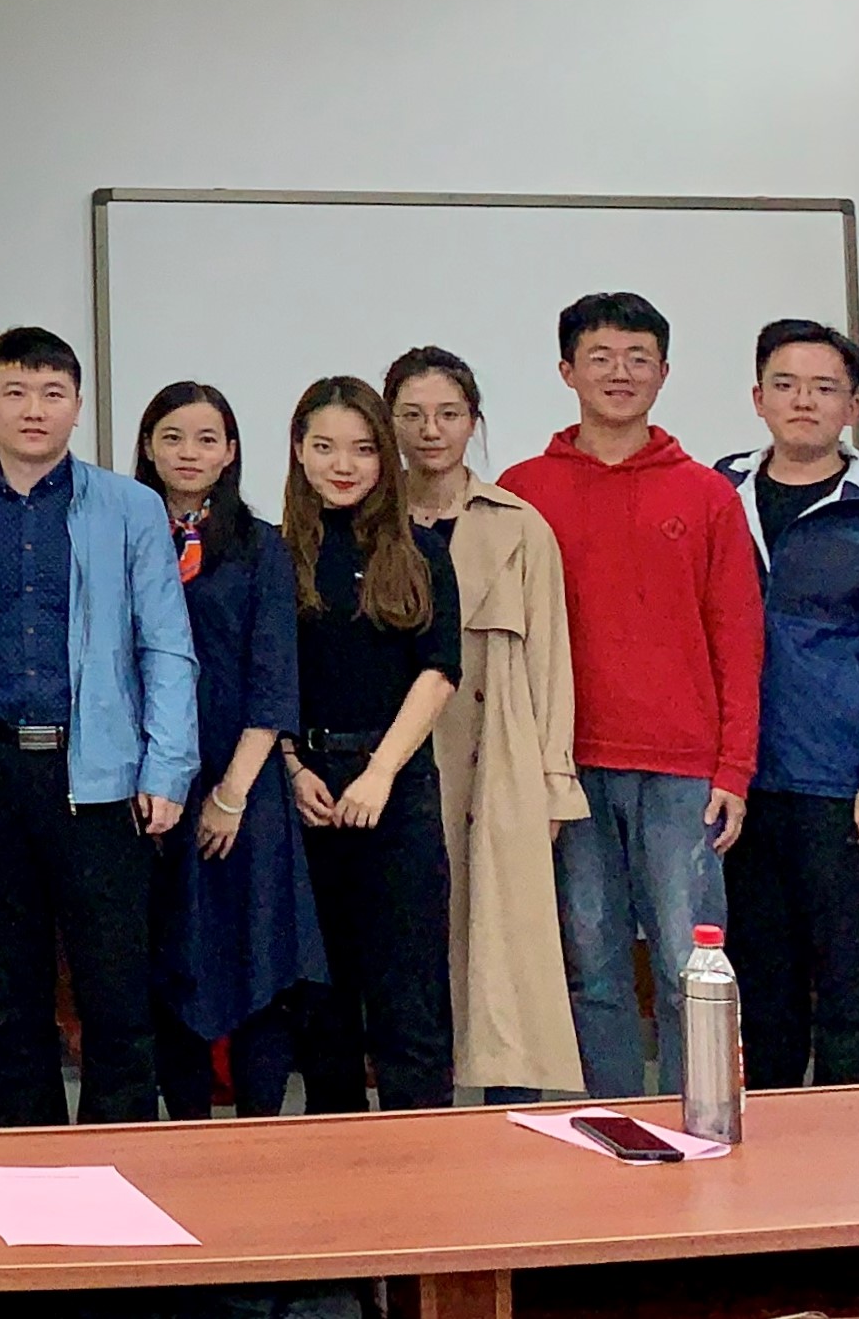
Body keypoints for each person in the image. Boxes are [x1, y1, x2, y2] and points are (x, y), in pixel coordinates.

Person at [0, 326, 195, 1128]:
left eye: (52, 393)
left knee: (115, 991)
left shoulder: (130, 507)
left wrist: (166, 769)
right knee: (10, 992)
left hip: (101, 778)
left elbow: (166, 644)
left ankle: (121, 1157)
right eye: (14, 392)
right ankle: (27, 1157)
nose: (33, 410)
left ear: (77, 406)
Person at [496, 293, 762, 1098]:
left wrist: (734, 769)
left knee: (690, 967)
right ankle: (611, 1126)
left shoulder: (707, 495)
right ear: (566, 370)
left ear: (664, 373)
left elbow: (738, 639)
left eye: (638, 358)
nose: (620, 373)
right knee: (591, 964)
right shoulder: (522, 490)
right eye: (601, 358)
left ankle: (701, 1122)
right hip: (567, 769)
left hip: (683, 772)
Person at [388, 346, 584, 1102]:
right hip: (400, 761)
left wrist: (553, 780)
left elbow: (550, 661)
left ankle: (511, 1121)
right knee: (415, 949)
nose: (430, 430)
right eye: (412, 415)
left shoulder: (520, 526)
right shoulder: (374, 524)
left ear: (474, 421)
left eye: (448, 413)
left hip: (497, 756)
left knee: (504, 947)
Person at [710, 320, 859, 1087]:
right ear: (758, 398)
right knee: (760, 984)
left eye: (825, 389)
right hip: (738, 781)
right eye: (786, 385)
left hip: (840, 783)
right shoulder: (718, 494)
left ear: (852, 407)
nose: (803, 401)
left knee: (852, 985)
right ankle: (768, 1140)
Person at [133, 382, 319, 1120]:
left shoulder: (261, 545)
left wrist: (231, 795)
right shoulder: (125, 536)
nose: (189, 453)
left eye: (207, 439)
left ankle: (257, 1136)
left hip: (243, 783)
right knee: (170, 962)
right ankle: (186, 1137)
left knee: (257, 961)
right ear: (148, 448)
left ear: (231, 452)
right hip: (148, 782)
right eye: (173, 437)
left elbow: (275, 679)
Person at [277, 377, 461, 1112]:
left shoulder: (420, 550)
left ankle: (421, 1166)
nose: (343, 465)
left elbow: (440, 671)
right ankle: (336, 1169)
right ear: (299, 452)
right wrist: (293, 768)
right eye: (324, 447)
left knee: (408, 1006)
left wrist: (381, 772)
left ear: (385, 455)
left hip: (396, 790)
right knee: (322, 1010)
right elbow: (266, 680)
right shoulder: (276, 554)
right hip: (306, 794)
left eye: (360, 449)